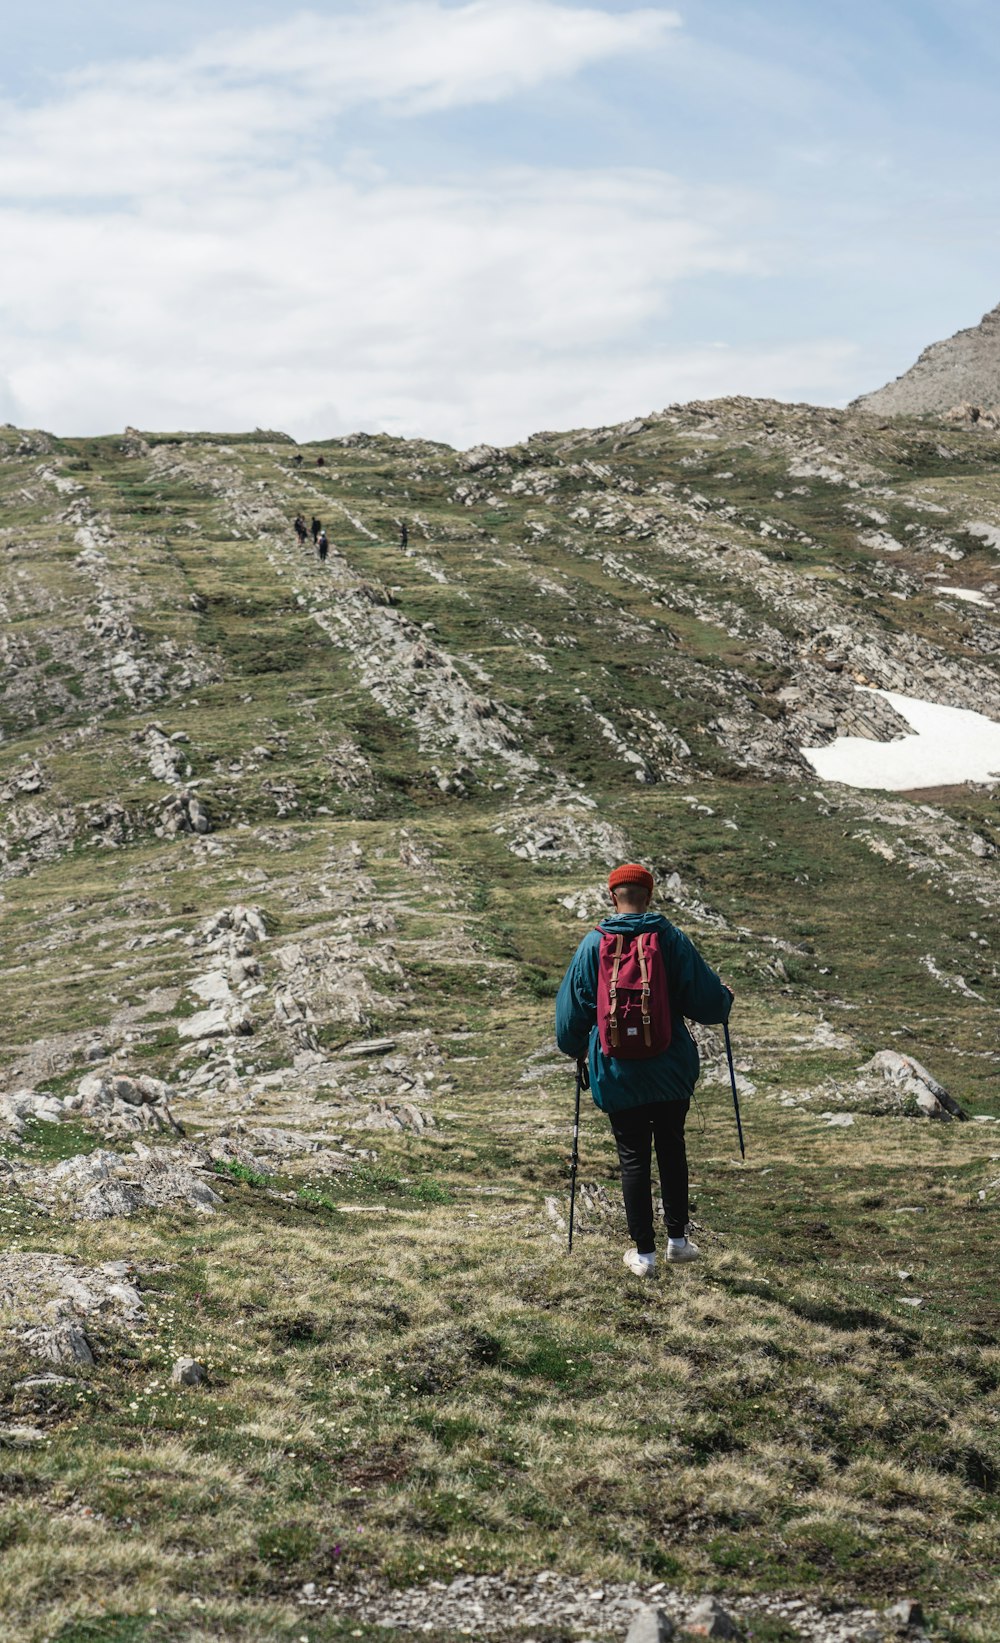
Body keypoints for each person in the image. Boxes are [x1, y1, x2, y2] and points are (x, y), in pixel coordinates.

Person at [556, 862, 733, 1278]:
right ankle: (678, 1242)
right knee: (672, 1147)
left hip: (618, 1071)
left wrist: (580, 1049)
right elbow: (707, 1003)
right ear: (650, 896)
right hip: (670, 1067)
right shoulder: (671, 939)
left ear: (611, 896)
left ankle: (644, 1256)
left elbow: (570, 1020)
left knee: (633, 1157)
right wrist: (724, 998)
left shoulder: (592, 945)